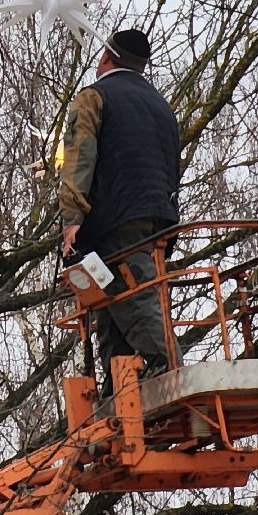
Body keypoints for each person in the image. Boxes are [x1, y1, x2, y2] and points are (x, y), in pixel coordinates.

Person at [59, 28, 181, 390]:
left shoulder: (93, 97)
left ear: (105, 58)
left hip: (116, 218)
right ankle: (118, 390)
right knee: (115, 305)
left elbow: (79, 159)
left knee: (132, 296)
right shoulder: (160, 105)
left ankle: (169, 368)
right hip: (159, 218)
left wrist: (72, 219)